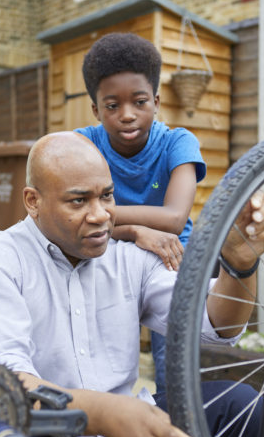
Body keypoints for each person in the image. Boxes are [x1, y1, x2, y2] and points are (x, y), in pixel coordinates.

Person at [0, 132, 264, 437]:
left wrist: (239, 266)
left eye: (106, 196)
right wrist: (107, 414)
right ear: (33, 201)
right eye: (78, 201)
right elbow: (6, 390)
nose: (100, 215)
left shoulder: (127, 259)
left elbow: (215, 327)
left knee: (241, 408)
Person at [75, 32, 206, 397]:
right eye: (112, 105)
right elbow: (72, 217)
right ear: (96, 109)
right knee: (103, 362)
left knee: (173, 369)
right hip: (107, 258)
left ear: (157, 101)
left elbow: (175, 218)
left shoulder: (178, 143)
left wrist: (107, 215)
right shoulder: (82, 145)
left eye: (139, 102)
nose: (127, 115)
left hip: (171, 258)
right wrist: (133, 232)